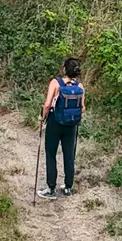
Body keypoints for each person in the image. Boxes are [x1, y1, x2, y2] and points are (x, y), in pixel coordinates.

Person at [38, 58, 84, 199]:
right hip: (71, 125)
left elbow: (47, 105)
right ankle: (68, 187)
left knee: (51, 153)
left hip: (55, 122)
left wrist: (42, 118)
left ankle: (51, 189)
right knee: (69, 154)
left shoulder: (55, 83)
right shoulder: (80, 86)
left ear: (64, 69)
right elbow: (83, 108)